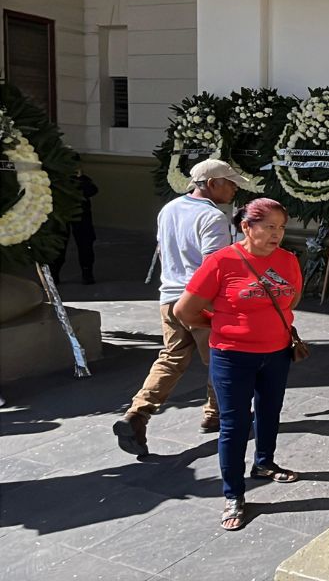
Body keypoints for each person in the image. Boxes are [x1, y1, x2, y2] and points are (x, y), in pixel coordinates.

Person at [175, 197, 302, 531]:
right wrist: (222, 324)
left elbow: (292, 299)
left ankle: (264, 463)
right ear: (247, 226)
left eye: (281, 227)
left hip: (277, 352)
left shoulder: (288, 260)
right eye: (269, 226)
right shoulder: (222, 261)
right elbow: (184, 311)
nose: (277, 234)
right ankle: (233, 494)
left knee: (270, 410)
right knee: (233, 425)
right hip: (232, 357)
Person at [113, 159, 245, 456]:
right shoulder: (213, 217)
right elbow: (215, 267)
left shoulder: (168, 209)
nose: (235, 187)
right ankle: (220, 414)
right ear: (212, 184)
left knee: (172, 358)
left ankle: (137, 413)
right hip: (200, 300)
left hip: (169, 296)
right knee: (220, 359)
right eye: (230, 182)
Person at [53, 159, 98, 285]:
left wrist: (80, 178)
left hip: (81, 216)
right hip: (62, 215)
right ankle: (54, 273)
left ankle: (87, 273)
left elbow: (92, 190)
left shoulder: (83, 180)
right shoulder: (56, 180)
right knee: (59, 244)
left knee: (85, 244)